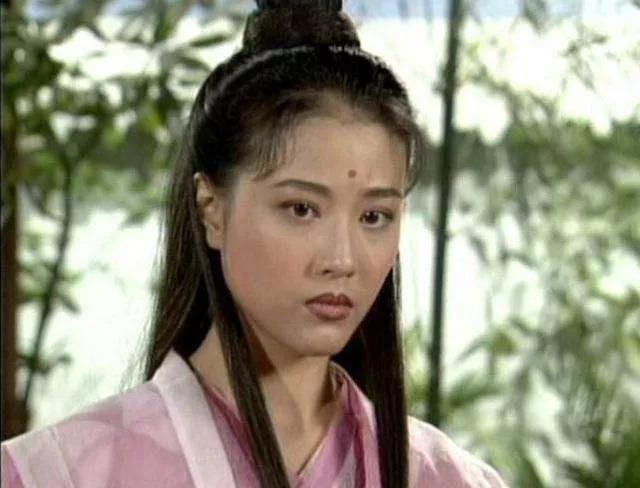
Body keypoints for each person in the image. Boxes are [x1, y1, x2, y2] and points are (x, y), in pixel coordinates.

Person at [1, 1, 508, 486]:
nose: (342, 260)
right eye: (301, 208)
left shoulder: (450, 479)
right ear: (211, 208)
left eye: (374, 217)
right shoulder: (58, 473)